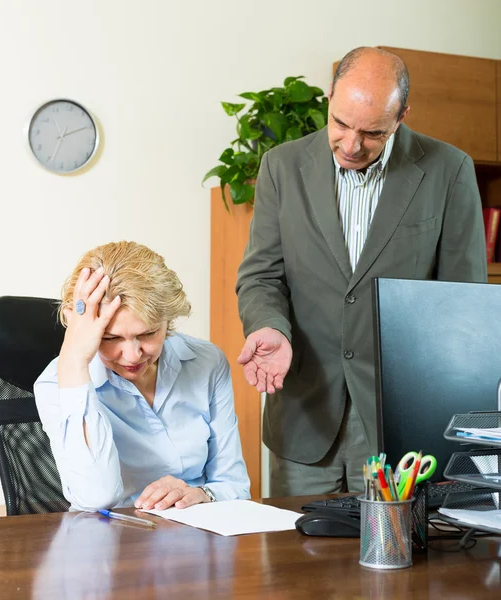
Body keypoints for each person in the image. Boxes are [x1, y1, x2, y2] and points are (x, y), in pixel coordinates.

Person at [236, 46, 487, 497]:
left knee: (396, 560)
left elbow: (461, 305)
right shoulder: (282, 166)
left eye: (372, 133)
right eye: (341, 124)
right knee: (298, 562)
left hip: (401, 424)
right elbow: (261, 276)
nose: (352, 145)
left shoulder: (448, 171)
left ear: (401, 115)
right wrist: (269, 326)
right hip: (304, 416)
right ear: (329, 97)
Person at [35, 241, 250, 512]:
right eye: (111, 338)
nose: (133, 355)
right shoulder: (57, 382)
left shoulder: (206, 362)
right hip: (113, 540)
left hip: (197, 533)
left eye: (148, 334)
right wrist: (75, 361)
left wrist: (202, 492)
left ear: (167, 320)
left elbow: (235, 485)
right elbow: (95, 497)